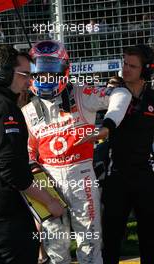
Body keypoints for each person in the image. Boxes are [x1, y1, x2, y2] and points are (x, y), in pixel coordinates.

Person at [22, 40, 132, 264]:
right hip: (47, 181)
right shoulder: (27, 110)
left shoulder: (82, 94)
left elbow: (121, 93)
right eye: (41, 73)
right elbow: (29, 153)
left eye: (52, 72)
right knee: (55, 249)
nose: (46, 79)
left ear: (64, 69)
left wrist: (107, 126)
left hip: (81, 176)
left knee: (89, 244)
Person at [0, 45, 64, 264]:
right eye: (25, 74)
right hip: (4, 209)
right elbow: (12, 170)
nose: (30, 81)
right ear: (3, 73)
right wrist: (49, 201)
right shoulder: (3, 107)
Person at [101, 44, 154, 264]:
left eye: (133, 66)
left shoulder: (152, 97)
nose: (126, 69)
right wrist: (108, 92)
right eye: (124, 63)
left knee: (150, 238)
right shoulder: (111, 93)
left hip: (145, 176)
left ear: (146, 70)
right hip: (116, 176)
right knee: (111, 238)